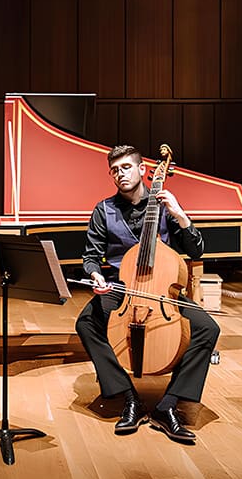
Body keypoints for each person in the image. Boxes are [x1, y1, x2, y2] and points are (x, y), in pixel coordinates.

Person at [75, 145, 220, 443]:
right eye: (115, 170)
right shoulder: (104, 210)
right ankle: (129, 397)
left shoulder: (165, 207)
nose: (120, 174)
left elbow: (196, 250)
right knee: (85, 323)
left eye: (126, 167)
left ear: (143, 170)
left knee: (208, 328)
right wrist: (96, 275)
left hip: (162, 290)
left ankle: (168, 406)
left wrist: (179, 214)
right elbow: (90, 256)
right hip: (121, 287)